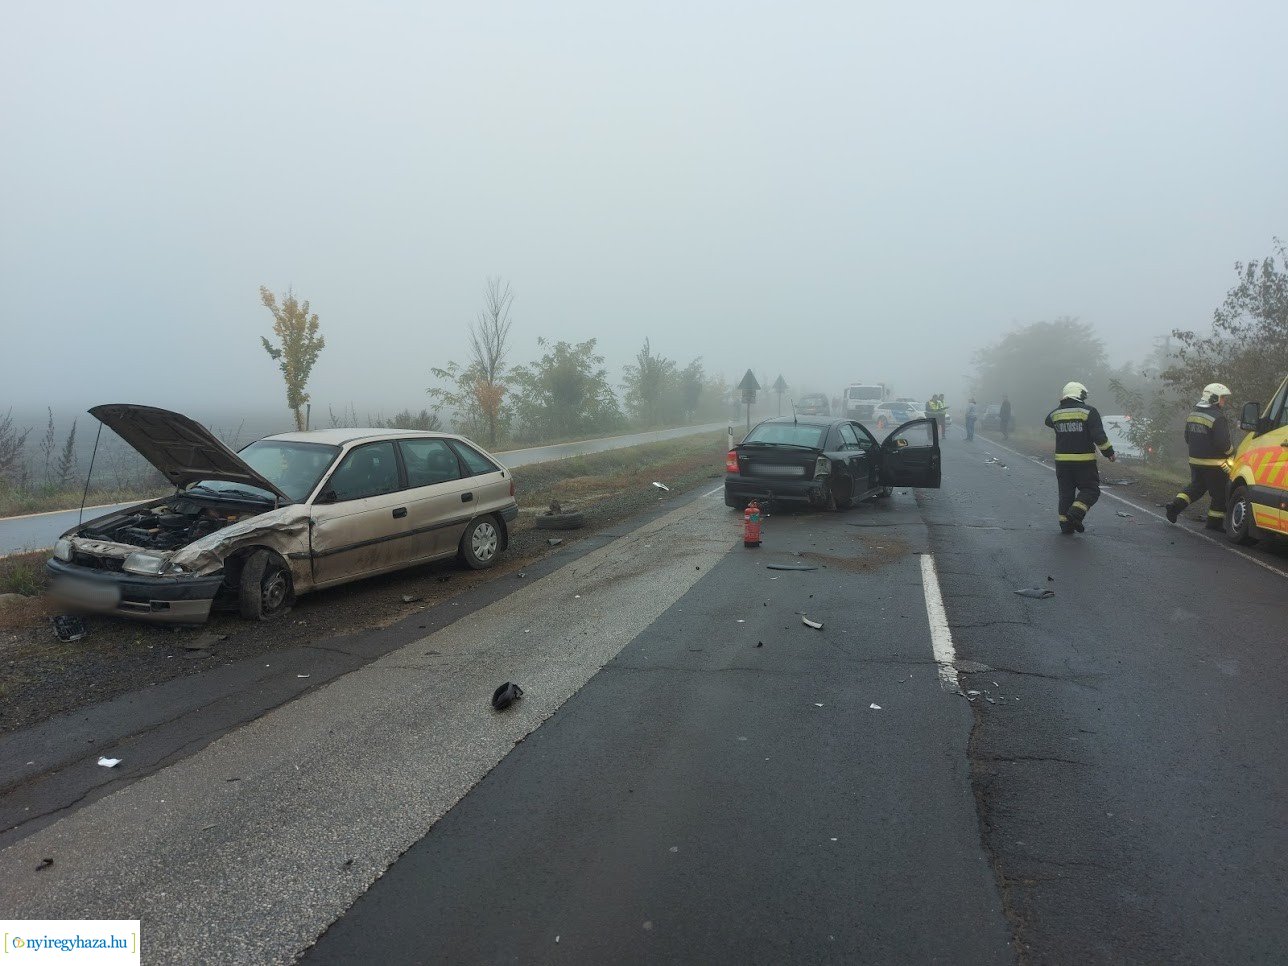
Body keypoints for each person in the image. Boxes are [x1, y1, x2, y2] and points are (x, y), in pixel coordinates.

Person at [1044, 381, 1115, 534]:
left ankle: (1065, 525)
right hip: (1084, 462)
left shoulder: (1056, 414)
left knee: (1066, 494)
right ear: (1080, 394)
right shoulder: (1089, 412)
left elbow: (1047, 421)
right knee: (1091, 490)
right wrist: (1109, 453)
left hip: (1062, 463)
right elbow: (1099, 436)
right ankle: (1075, 514)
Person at [1165, 383, 1234, 530]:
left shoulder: (1193, 414)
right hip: (1215, 465)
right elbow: (1223, 443)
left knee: (1196, 487)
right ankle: (1214, 524)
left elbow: (1187, 437)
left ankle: (1175, 507)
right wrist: (1232, 453)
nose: (1224, 401)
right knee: (1219, 494)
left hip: (1195, 462)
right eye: (1222, 398)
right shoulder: (1217, 417)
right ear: (1214, 398)